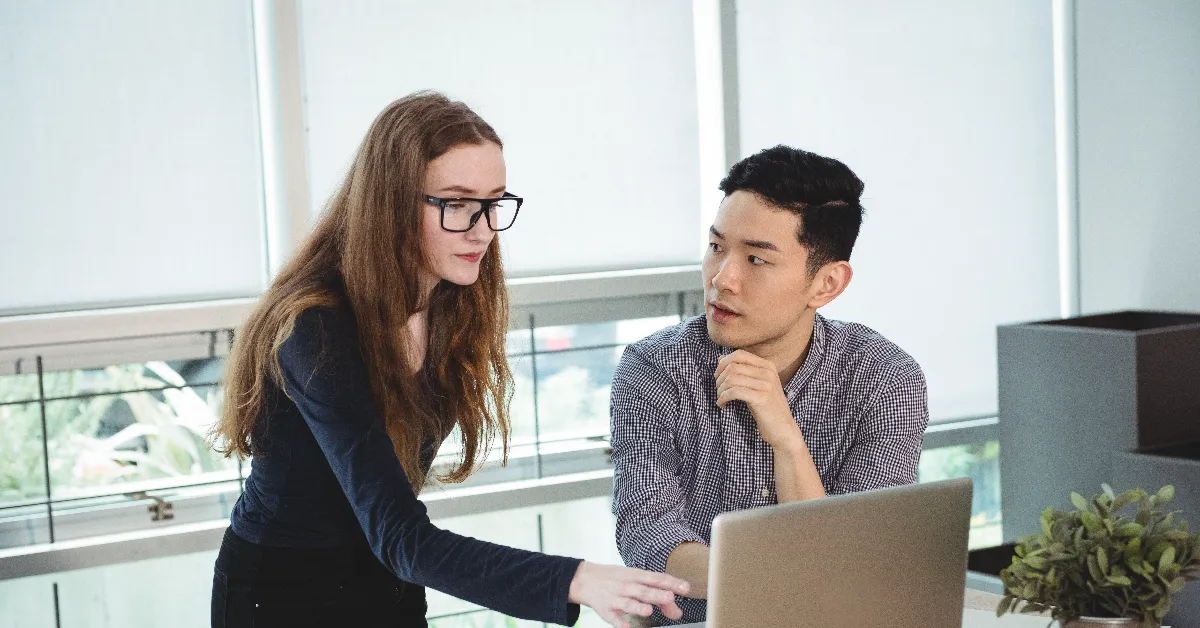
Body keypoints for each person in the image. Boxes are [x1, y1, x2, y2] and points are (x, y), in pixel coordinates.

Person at [209, 91, 688, 628]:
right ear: (389, 204)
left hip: (388, 578)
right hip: (282, 596)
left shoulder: (448, 304)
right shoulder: (315, 327)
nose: (482, 229)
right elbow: (402, 535)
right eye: (457, 204)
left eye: (493, 202)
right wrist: (577, 578)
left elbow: (395, 542)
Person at [610, 145, 929, 624]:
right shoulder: (652, 368)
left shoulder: (885, 379)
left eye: (756, 260)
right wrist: (797, 574)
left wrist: (786, 440)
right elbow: (649, 538)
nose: (722, 278)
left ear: (826, 284)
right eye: (716, 247)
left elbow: (855, 564)